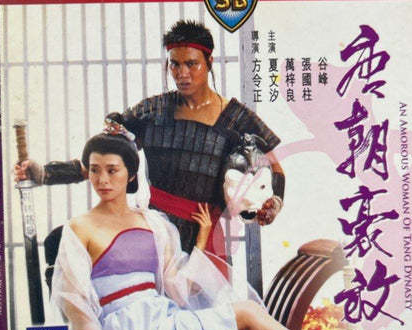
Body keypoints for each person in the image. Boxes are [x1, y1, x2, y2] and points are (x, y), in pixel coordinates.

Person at [50, 127, 354, 330]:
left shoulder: (152, 222)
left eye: (112, 170)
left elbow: (177, 288)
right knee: (246, 323)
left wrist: (201, 240)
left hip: (163, 320)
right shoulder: (79, 227)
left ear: (130, 174)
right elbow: (74, 305)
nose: (102, 179)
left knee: (248, 315)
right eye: (95, 170)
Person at [15, 20, 285, 261]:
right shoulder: (152, 111)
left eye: (191, 64)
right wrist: (45, 174)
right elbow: (107, 158)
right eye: (175, 64)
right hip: (154, 231)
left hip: (206, 236)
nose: (182, 73)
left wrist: (274, 203)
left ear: (209, 62)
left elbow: (275, 167)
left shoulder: (236, 118)